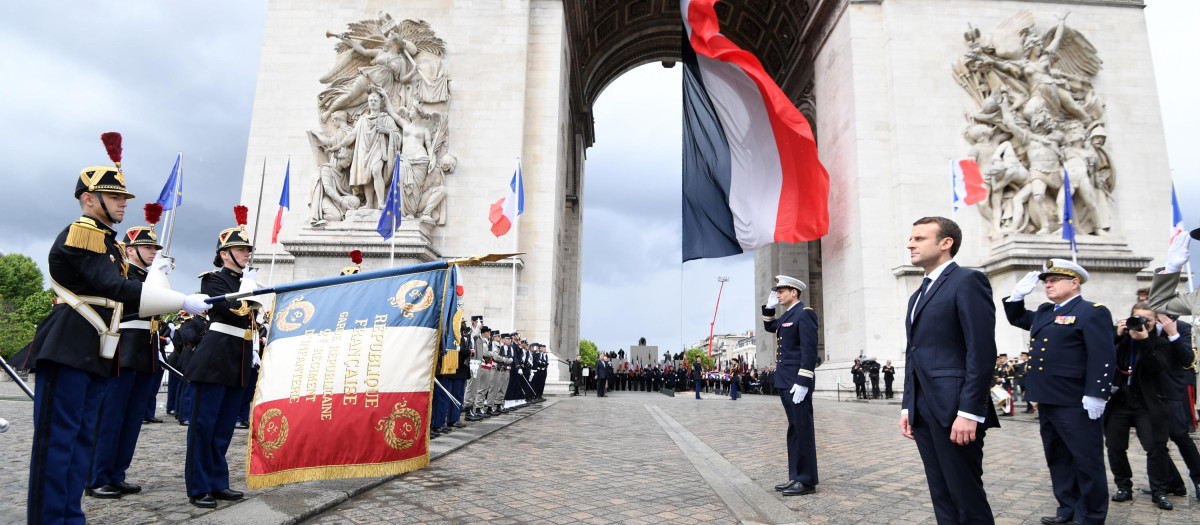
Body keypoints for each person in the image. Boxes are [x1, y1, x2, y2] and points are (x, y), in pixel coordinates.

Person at [25, 137, 210, 524]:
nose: (123, 202)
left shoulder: (107, 244)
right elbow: (114, 289)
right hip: (70, 342)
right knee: (58, 442)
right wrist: (179, 301)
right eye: (114, 196)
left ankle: (69, 515)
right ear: (90, 199)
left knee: (79, 442)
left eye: (123, 196)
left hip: (95, 345)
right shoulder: (84, 233)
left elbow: (123, 293)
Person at [898, 217, 999, 525]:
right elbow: (914, 353)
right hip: (924, 409)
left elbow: (981, 350)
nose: (910, 244)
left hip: (955, 408)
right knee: (941, 492)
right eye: (911, 238)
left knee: (965, 494)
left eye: (919, 238)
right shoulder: (918, 294)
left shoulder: (968, 280)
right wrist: (907, 404)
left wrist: (970, 411)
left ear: (946, 243)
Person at [1004, 258, 1115, 525]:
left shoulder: (1092, 311)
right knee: (1058, 457)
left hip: (1076, 399)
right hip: (1048, 397)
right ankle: (1067, 508)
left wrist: (1097, 393)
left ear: (1074, 282)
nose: (1047, 285)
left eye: (1054, 280)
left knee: (1086, 460)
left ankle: (1091, 515)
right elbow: (1018, 317)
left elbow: (1102, 355)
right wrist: (1016, 296)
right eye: (1045, 281)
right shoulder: (1045, 312)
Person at [183, 209, 260, 509]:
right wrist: (249, 289)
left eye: (248, 250)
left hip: (238, 360)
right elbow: (233, 310)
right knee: (204, 427)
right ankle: (199, 486)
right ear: (224, 254)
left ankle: (217, 481)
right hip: (214, 359)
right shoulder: (213, 281)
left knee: (224, 428)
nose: (246, 254)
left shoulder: (248, 282)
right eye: (241, 249)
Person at [88, 213, 168, 499]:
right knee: (110, 417)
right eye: (148, 248)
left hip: (145, 351)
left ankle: (117, 474)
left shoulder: (152, 277)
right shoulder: (122, 274)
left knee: (132, 419)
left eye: (155, 249)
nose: (153, 253)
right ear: (131, 249)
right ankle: (97, 476)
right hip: (123, 349)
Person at [1105, 303, 1175, 510]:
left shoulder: (1160, 343)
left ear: (1155, 322)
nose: (1143, 323)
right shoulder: (1120, 340)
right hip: (1119, 402)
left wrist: (1144, 341)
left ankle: (1159, 491)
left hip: (1148, 404)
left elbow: (1156, 367)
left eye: (1148, 320)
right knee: (1115, 447)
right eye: (1138, 318)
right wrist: (1116, 334)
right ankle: (1123, 486)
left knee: (1155, 447)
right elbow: (1103, 357)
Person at [1148, 231, 1200, 500]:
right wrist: (1172, 269)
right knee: (1154, 443)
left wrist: (1174, 335)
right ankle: (1173, 483)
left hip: (1175, 393)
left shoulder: (1181, 327)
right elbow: (1156, 303)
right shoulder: (1196, 297)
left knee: (1180, 437)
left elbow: (1188, 359)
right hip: (1153, 394)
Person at [763, 274, 820, 496]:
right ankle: (795, 476)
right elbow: (771, 328)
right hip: (785, 380)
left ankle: (807, 481)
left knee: (803, 429)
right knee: (794, 429)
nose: (778, 294)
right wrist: (769, 308)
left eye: (781, 291)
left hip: (797, 382)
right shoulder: (788, 314)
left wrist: (803, 381)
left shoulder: (805, 314)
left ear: (793, 292)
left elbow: (809, 349)